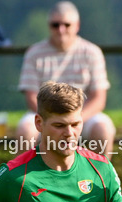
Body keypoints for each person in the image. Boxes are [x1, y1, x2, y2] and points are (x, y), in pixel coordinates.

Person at [16, 2, 115, 157]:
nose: (61, 30)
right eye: (55, 25)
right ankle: (24, 180)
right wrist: (53, 120)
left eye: (66, 24)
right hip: (45, 115)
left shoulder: (92, 52)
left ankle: (102, 179)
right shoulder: (34, 53)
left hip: (83, 116)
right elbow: (31, 97)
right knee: (25, 130)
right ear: (49, 26)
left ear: (77, 25)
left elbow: (99, 99)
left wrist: (74, 120)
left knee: (104, 128)